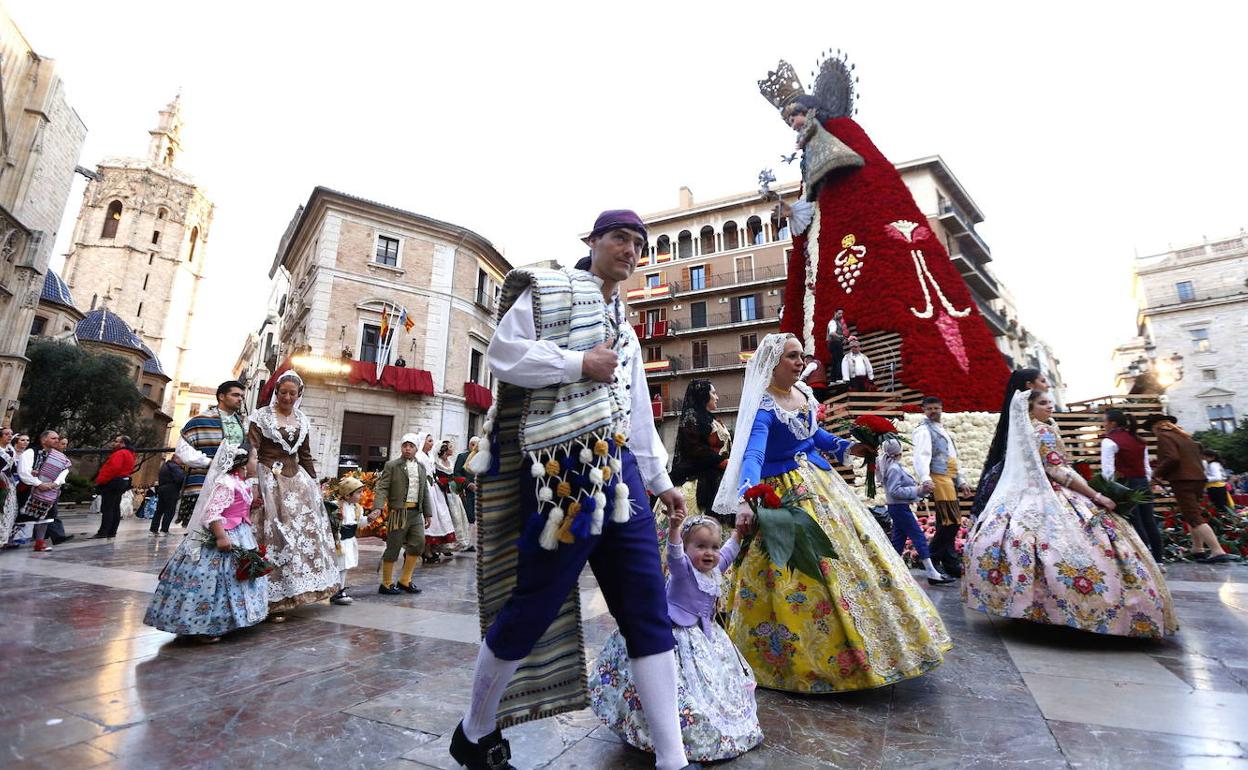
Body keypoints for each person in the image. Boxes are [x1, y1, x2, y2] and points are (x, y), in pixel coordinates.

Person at [451, 210, 694, 770]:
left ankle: (672, 760)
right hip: (567, 469)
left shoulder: (627, 327)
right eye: (618, 238)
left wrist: (658, 480)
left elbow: (635, 412)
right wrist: (577, 362)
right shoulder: (551, 291)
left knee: (646, 607)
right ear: (593, 242)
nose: (629, 250)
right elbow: (503, 355)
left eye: (638, 243)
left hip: (624, 478)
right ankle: (475, 729)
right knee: (536, 601)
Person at [713, 333, 950, 693]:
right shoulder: (764, 407)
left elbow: (815, 437)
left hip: (820, 483)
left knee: (853, 556)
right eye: (792, 356)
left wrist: (849, 445)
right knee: (801, 571)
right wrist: (747, 496)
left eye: (800, 355)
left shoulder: (804, 396)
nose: (799, 362)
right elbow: (753, 455)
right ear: (772, 363)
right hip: (786, 494)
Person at [963, 391, 1178, 637]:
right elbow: (1057, 469)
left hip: (1030, 494)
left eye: (1050, 402)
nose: (1050, 407)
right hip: (1054, 494)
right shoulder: (1043, 431)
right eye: (1043, 403)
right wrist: (1095, 495)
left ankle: (1034, 606)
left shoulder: (1029, 431)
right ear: (1030, 408)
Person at [590, 510, 763, 763]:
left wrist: (738, 534)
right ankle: (660, 732)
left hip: (705, 636)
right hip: (675, 634)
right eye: (701, 546)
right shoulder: (683, 570)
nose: (709, 553)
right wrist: (674, 530)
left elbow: (728, 552)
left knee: (714, 684)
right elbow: (673, 554)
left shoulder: (715, 569)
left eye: (713, 547)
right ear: (687, 546)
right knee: (676, 685)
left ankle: (707, 731)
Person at [143, 442, 269, 640]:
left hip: (240, 533)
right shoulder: (226, 483)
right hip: (225, 534)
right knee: (214, 580)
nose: (257, 462)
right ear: (242, 463)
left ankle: (230, 618)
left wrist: (251, 505)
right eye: (255, 458)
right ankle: (204, 624)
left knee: (235, 577)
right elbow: (212, 512)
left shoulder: (241, 483)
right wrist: (220, 536)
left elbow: (234, 508)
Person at [247, 370, 340, 617]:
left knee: (299, 536)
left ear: (299, 395)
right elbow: (252, 451)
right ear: (276, 393)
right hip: (269, 481)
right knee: (274, 536)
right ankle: (270, 599)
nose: (287, 397)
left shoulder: (302, 419)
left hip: (297, 483)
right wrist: (253, 482)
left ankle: (294, 593)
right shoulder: (261, 417)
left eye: (292, 393)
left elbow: (305, 454)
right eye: (283, 392)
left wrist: (315, 484)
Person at [1146, 414, 1237, 563]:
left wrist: (1156, 474)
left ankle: (1217, 551)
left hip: (1183, 480)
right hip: (1198, 479)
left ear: (1156, 427)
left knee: (1194, 516)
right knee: (1191, 513)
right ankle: (1197, 548)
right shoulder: (1185, 437)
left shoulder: (1164, 436)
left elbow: (1172, 458)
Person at [971, 369, 1050, 518]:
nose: (1048, 385)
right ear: (1029, 385)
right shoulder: (1025, 415)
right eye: (1043, 381)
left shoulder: (1027, 413)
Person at [877, 438, 955, 585]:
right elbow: (895, 491)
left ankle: (888, 573)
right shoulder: (894, 468)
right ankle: (931, 572)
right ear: (898, 452)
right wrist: (918, 490)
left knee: (898, 542)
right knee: (918, 537)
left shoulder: (890, 466)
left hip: (897, 508)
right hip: (900, 508)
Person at [912, 396, 972, 578]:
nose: (933, 411)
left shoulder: (941, 430)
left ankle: (948, 561)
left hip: (948, 477)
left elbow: (952, 458)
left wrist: (960, 480)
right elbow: (921, 456)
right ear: (924, 410)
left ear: (941, 408)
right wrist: (924, 478)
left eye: (936, 408)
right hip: (938, 478)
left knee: (949, 522)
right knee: (950, 521)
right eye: (929, 408)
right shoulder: (923, 430)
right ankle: (934, 558)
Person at [175, 380, 247, 527]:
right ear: (221, 396)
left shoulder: (243, 424)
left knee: (229, 529)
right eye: (235, 395)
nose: (240, 399)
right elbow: (182, 450)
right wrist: (210, 463)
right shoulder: (200, 420)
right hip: (204, 482)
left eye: (242, 396)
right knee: (200, 532)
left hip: (233, 486)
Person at [371, 433, 431, 594]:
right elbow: (382, 487)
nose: (407, 449)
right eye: (405, 446)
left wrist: (428, 513)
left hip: (416, 513)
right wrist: (377, 507)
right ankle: (386, 583)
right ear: (401, 448)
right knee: (394, 547)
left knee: (418, 544)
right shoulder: (392, 465)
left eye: (411, 446)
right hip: (398, 512)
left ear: (416, 449)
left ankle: (405, 580)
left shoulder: (421, 467)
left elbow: (424, 491)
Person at [1100, 410, 1164, 562]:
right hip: (1143, 481)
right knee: (1149, 521)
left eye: (1104, 421)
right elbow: (1147, 467)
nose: (1103, 424)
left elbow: (1107, 472)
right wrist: (1146, 481)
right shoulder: (1139, 440)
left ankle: (1145, 560)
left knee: (1135, 522)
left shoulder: (1109, 441)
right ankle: (1158, 560)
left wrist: (1108, 490)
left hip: (1125, 484)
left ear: (1112, 423)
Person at [668, 380, 731, 520]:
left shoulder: (712, 419)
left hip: (720, 480)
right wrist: (721, 461)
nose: (717, 397)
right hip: (699, 481)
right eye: (713, 393)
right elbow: (695, 449)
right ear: (703, 396)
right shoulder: (692, 419)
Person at [17, 430, 70, 552]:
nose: (57, 440)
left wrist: (54, 484)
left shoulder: (60, 457)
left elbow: (64, 471)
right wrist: (39, 483)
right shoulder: (31, 452)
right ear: (43, 439)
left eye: (57, 438)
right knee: (21, 517)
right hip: (29, 490)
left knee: (46, 518)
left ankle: (40, 543)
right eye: (53, 438)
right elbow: (24, 472)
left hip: (49, 491)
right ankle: (10, 541)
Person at [415, 432, 457, 559]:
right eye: (429, 441)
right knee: (427, 520)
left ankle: (433, 547)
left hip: (433, 488)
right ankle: (425, 549)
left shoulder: (430, 457)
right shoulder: (418, 456)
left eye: (432, 441)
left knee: (438, 517)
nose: (432, 443)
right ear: (422, 441)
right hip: (424, 488)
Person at [92, 434, 136, 539]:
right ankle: (112, 531)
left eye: (117, 441)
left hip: (113, 482)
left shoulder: (120, 453)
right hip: (121, 482)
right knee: (115, 507)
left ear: (122, 443)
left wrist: (101, 481)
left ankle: (103, 531)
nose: (114, 443)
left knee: (107, 508)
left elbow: (113, 468)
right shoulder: (130, 454)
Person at [332, 476, 364, 605]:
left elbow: (360, 523)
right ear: (347, 495)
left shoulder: (358, 508)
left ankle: (340, 589)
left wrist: (370, 519)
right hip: (339, 541)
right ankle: (337, 590)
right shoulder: (336, 506)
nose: (361, 495)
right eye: (358, 492)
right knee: (339, 565)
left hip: (349, 541)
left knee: (344, 566)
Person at [436, 439, 472, 551]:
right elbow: (436, 477)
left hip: (452, 492)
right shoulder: (437, 462)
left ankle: (456, 542)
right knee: (446, 517)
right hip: (442, 492)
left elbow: (452, 477)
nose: (452, 449)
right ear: (445, 450)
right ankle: (444, 544)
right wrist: (444, 482)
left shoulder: (451, 462)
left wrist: (458, 486)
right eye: (450, 447)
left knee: (457, 515)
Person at [2, 433, 29, 547]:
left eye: (27, 440)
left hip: (18, 485)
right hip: (7, 482)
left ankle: (11, 538)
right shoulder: (8, 452)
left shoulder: (27, 454)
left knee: (15, 511)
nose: (25, 442)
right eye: (22, 440)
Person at [453, 437, 479, 552]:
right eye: (472, 444)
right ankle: (463, 542)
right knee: (466, 516)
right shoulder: (462, 457)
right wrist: (468, 484)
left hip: (479, 493)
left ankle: (470, 543)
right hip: (466, 492)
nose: (474, 447)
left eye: (476, 444)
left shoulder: (483, 457)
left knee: (474, 518)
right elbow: (456, 474)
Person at [150, 456, 186, 535]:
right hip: (171, 489)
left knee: (159, 510)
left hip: (162, 488)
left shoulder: (165, 465)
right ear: (176, 458)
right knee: (170, 510)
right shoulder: (175, 467)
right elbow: (181, 478)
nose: (182, 461)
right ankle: (164, 530)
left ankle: (153, 529)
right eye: (181, 459)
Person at [1203, 450, 1237, 517]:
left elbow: (1217, 477)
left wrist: (1205, 479)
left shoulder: (1213, 465)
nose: (1204, 458)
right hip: (1216, 487)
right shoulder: (1214, 464)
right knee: (1220, 506)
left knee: (1219, 507)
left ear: (1212, 457)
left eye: (1205, 456)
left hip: (1216, 488)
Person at [825, 309, 847, 381]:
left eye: (842, 314)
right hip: (835, 343)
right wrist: (840, 337)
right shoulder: (833, 322)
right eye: (839, 313)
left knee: (835, 361)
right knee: (839, 360)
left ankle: (833, 379)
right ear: (835, 313)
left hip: (835, 343)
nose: (841, 315)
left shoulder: (837, 322)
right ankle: (838, 378)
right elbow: (832, 333)